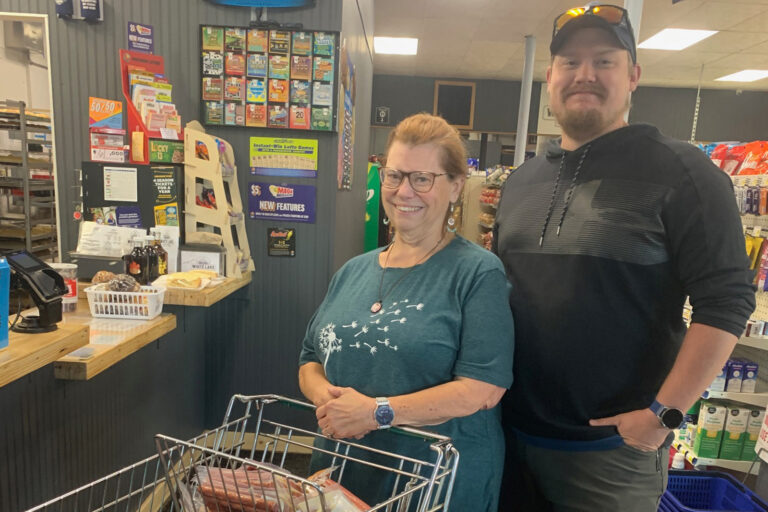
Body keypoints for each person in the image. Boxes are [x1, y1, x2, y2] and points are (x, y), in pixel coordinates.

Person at [493, 4, 755, 511]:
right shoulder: (522, 182)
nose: (584, 74)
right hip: (511, 437)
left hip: (610, 454)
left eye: (604, 61)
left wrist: (664, 416)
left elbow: (726, 302)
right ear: (550, 77)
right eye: (570, 62)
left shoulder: (686, 174)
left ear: (633, 75)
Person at [299, 113, 514, 511]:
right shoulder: (353, 271)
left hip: (433, 484)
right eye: (395, 175)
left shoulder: (477, 273)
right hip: (344, 473)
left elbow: (483, 389)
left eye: (422, 179)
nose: (403, 191)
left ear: (455, 187)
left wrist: (376, 412)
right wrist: (328, 402)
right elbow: (310, 359)